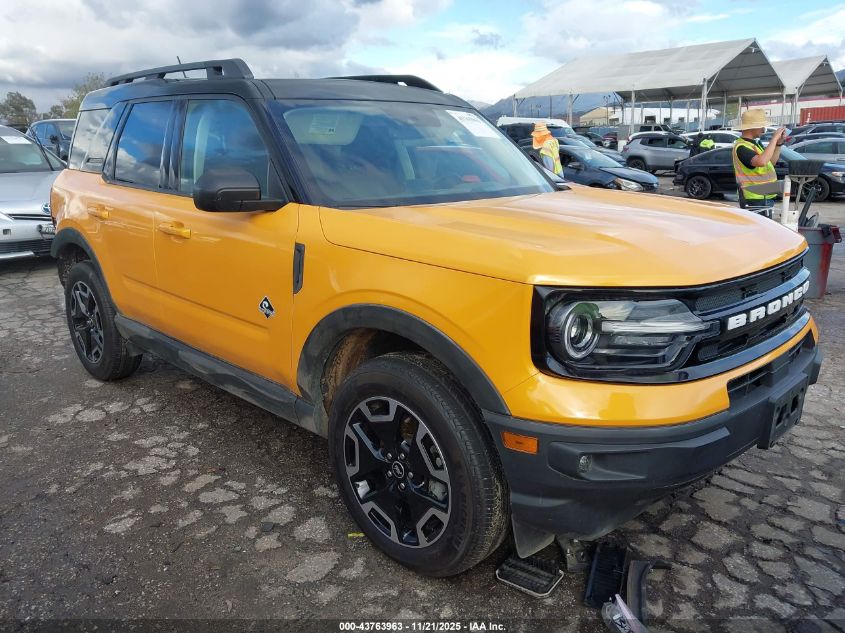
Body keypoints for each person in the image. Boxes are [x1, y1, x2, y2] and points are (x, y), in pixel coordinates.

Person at [732, 109, 787, 209]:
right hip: (754, 198)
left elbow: (771, 162)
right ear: (753, 127)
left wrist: (778, 144)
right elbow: (761, 162)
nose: (763, 129)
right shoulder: (742, 147)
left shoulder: (754, 145)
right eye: (761, 126)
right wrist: (774, 139)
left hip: (763, 197)